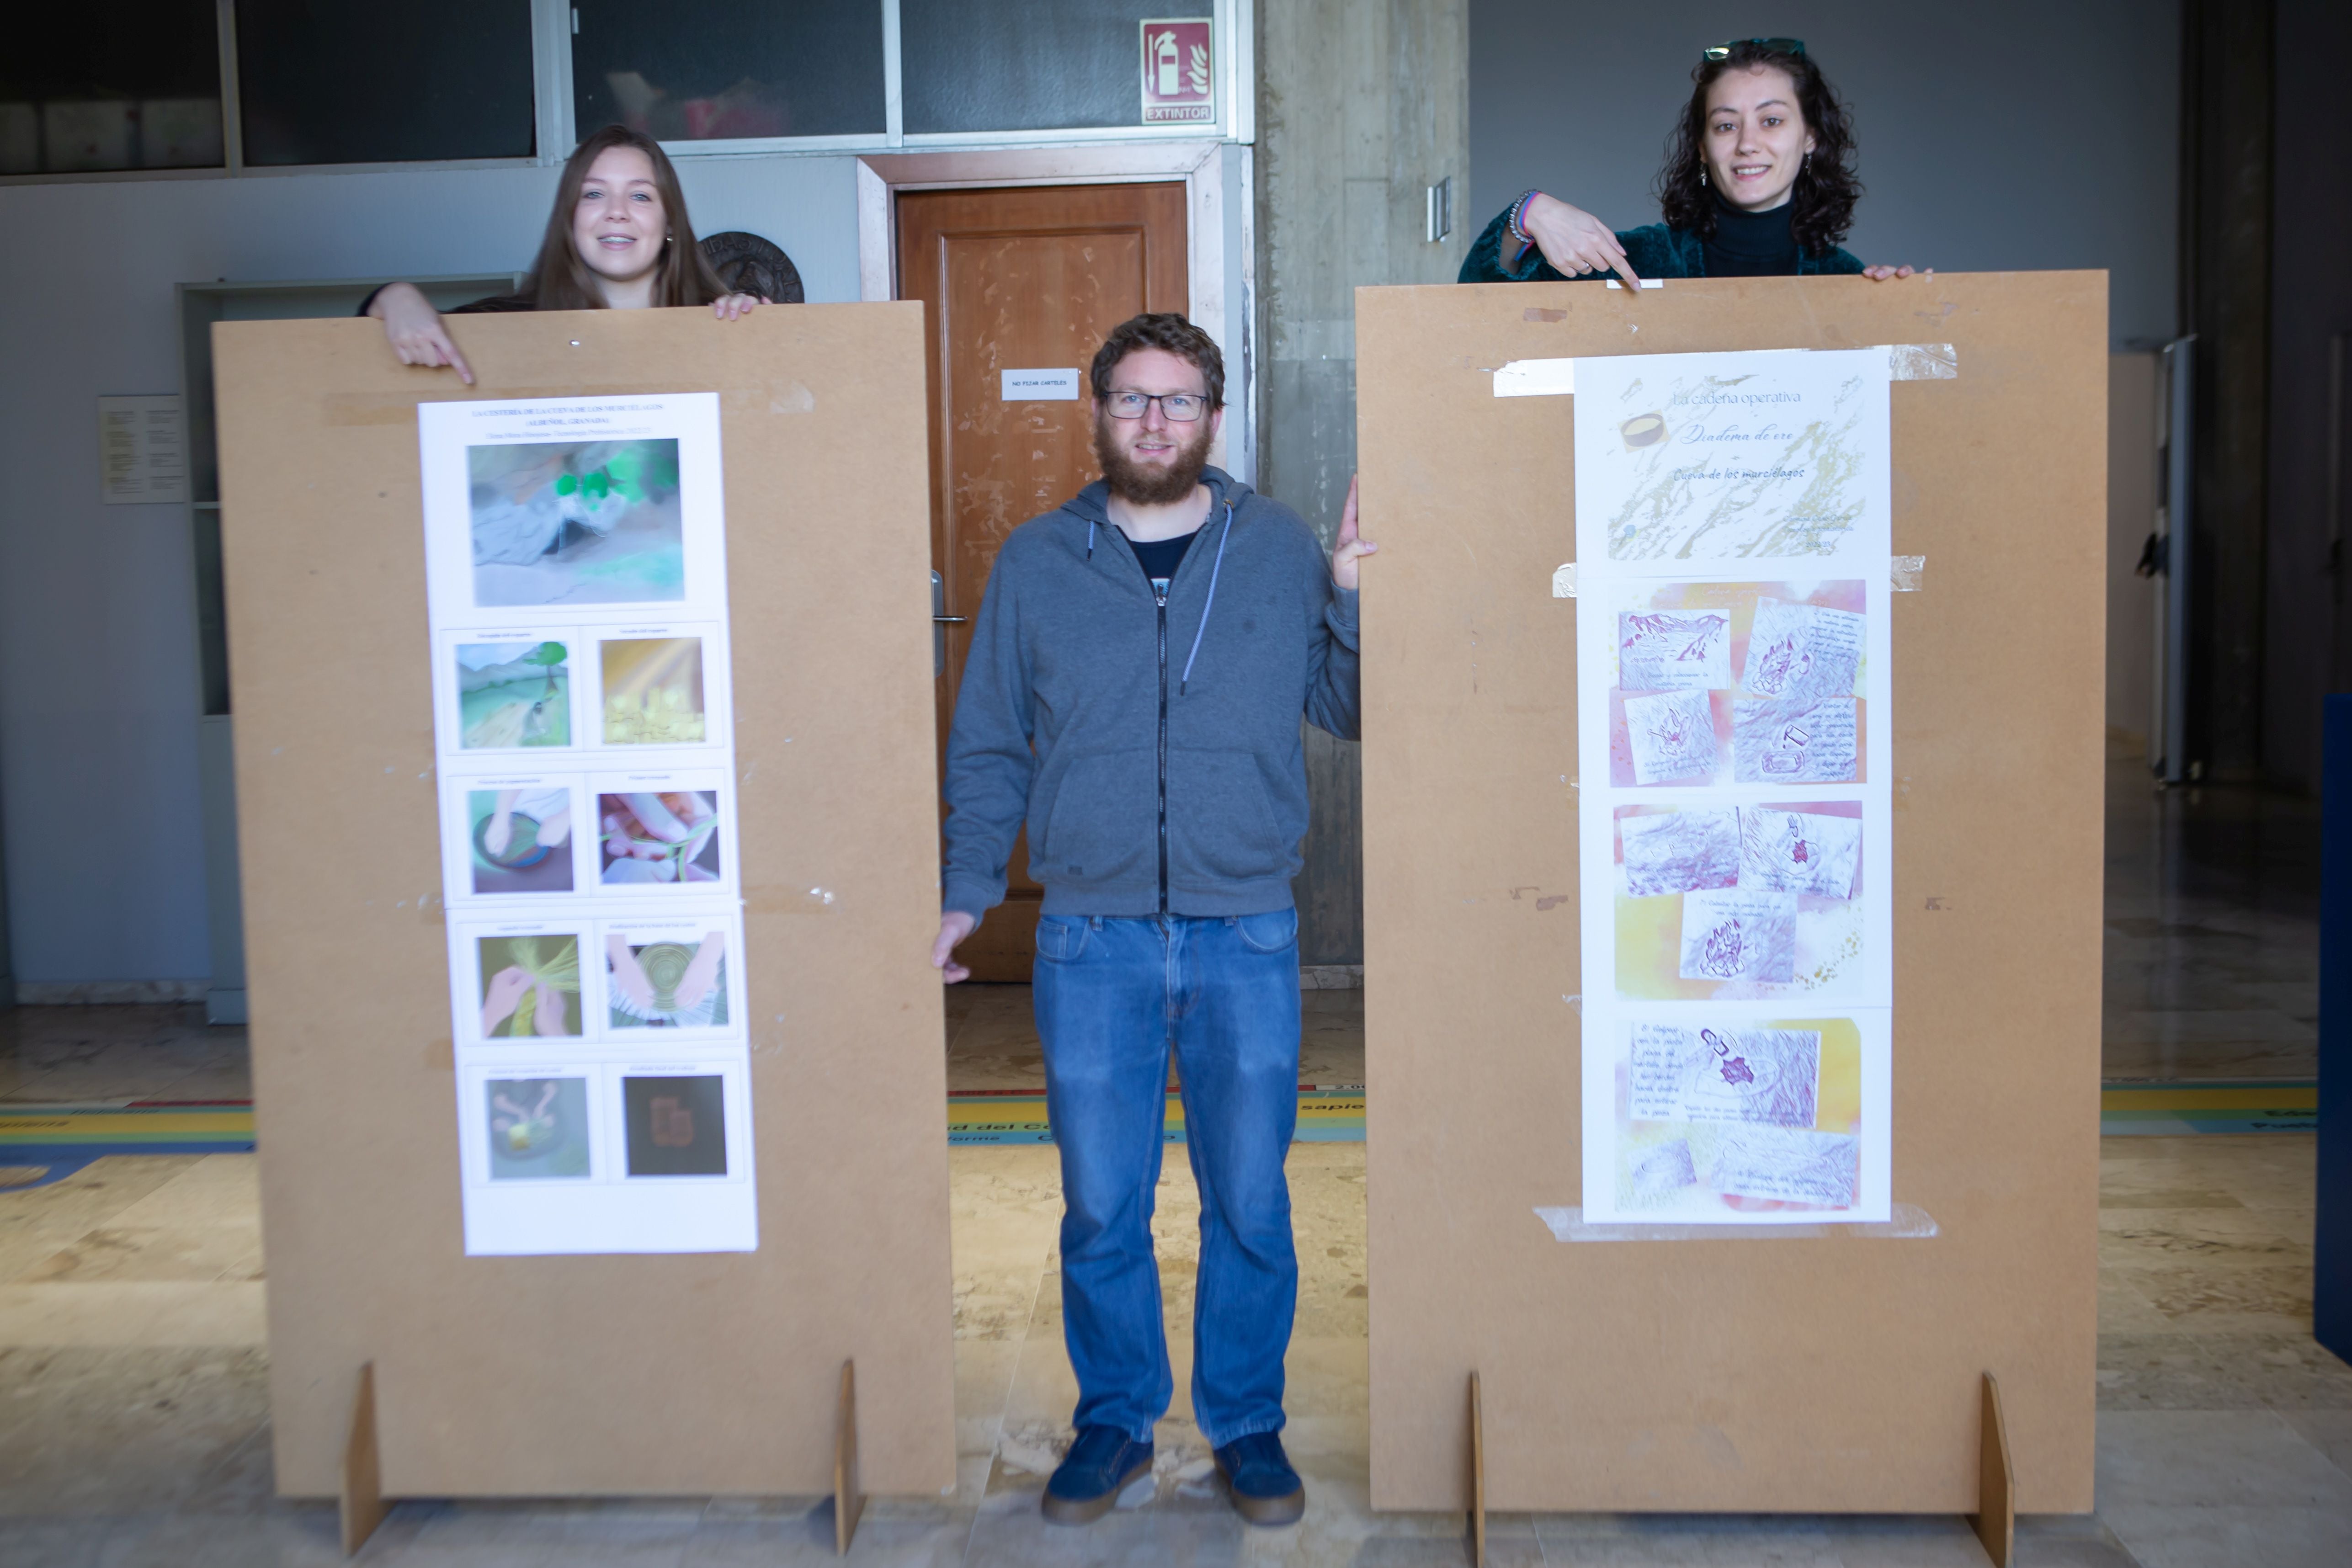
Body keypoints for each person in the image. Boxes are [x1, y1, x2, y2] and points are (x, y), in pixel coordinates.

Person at [931, 313, 1373, 1528]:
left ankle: (1248, 1423)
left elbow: (1349, 706)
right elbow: (986, 744)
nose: (1154, 420)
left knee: (1250, 1196)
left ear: (1213, 418)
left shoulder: (1278, 546)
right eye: (1132, 398)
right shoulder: (1034, 562)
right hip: (1090, 934)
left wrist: (1349, 596)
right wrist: (968, 889)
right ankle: (1117, 1417)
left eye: (1177, 400)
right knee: (1099, 1199)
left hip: (1246, 929)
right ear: (1099, 413)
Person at [1459, 37, 1923, 287]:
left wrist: (1909, 318)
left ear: (1810, 139)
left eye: (1772, 121)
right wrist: (1527, 216)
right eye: (1725, 125)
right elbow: (1483, 314)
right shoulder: (1634, 264)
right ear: (1702, 146)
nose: (1747, 143)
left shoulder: (1845, 281)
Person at [362, 125, 765, 385]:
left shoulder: (716, 327)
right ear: (569, 219)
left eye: (641, 195)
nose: (617, 211)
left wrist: (759, 337)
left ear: (671, 223)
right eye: (593, 194)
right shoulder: (503, 327)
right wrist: (392, 298)